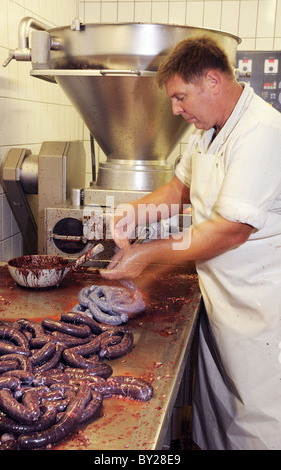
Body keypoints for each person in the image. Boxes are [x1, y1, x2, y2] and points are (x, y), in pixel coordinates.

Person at [100, 36, 281, 450]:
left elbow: (229, 230)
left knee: (258, 420)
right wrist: (133, 212)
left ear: (213, 82)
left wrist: (147, 254)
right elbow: (181, 189)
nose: (176, 110)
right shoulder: (208, 129)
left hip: (262, 309)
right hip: (221, 298)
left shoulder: (262, 132)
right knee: (220, 413)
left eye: (181, 97)